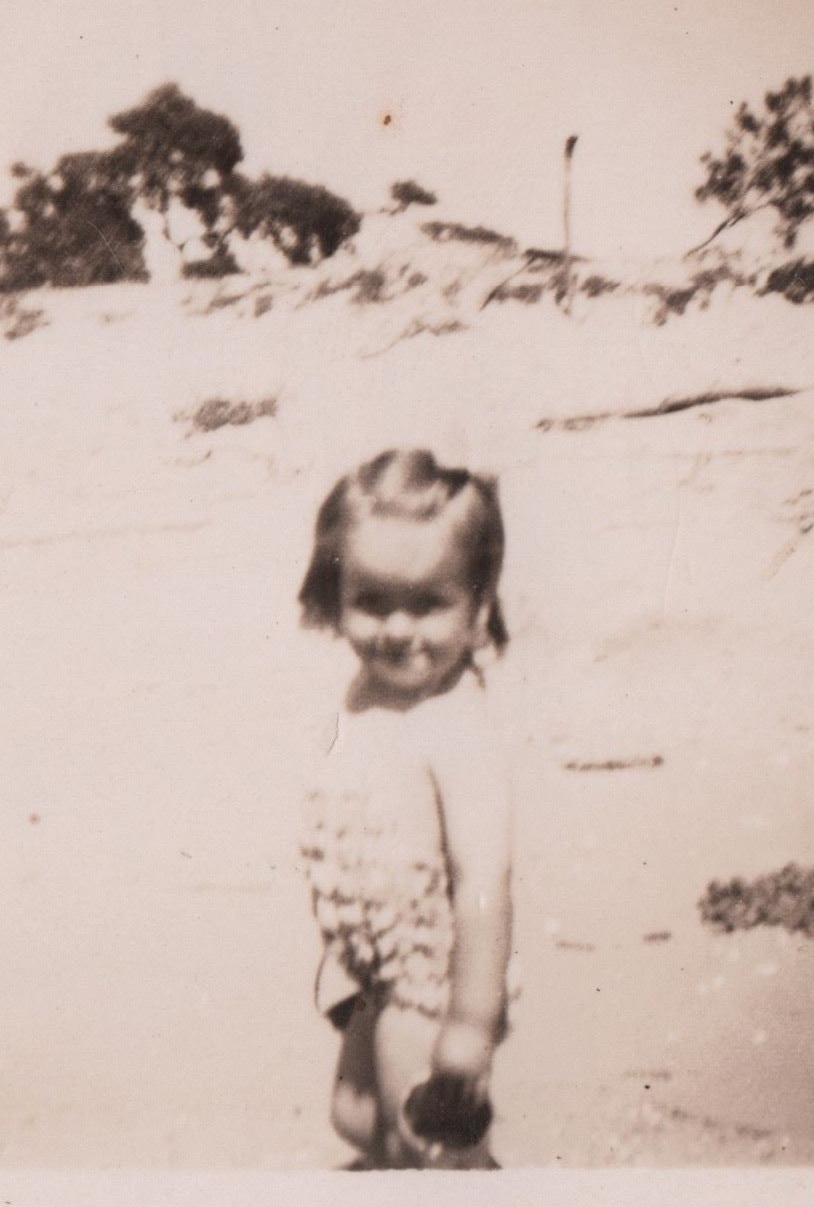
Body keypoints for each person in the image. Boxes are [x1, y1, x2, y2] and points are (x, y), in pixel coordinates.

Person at [296, 447, 516, 1170]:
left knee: (426, 1144)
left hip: (432, 978)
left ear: (477, 605)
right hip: (374, 966)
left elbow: (483, 882)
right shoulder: (372, 691)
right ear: (335, 594)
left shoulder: (457, 725)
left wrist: (470, 1023)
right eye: (373, 601)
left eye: (428, 603)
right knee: (357, 1118)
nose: (398, 629)